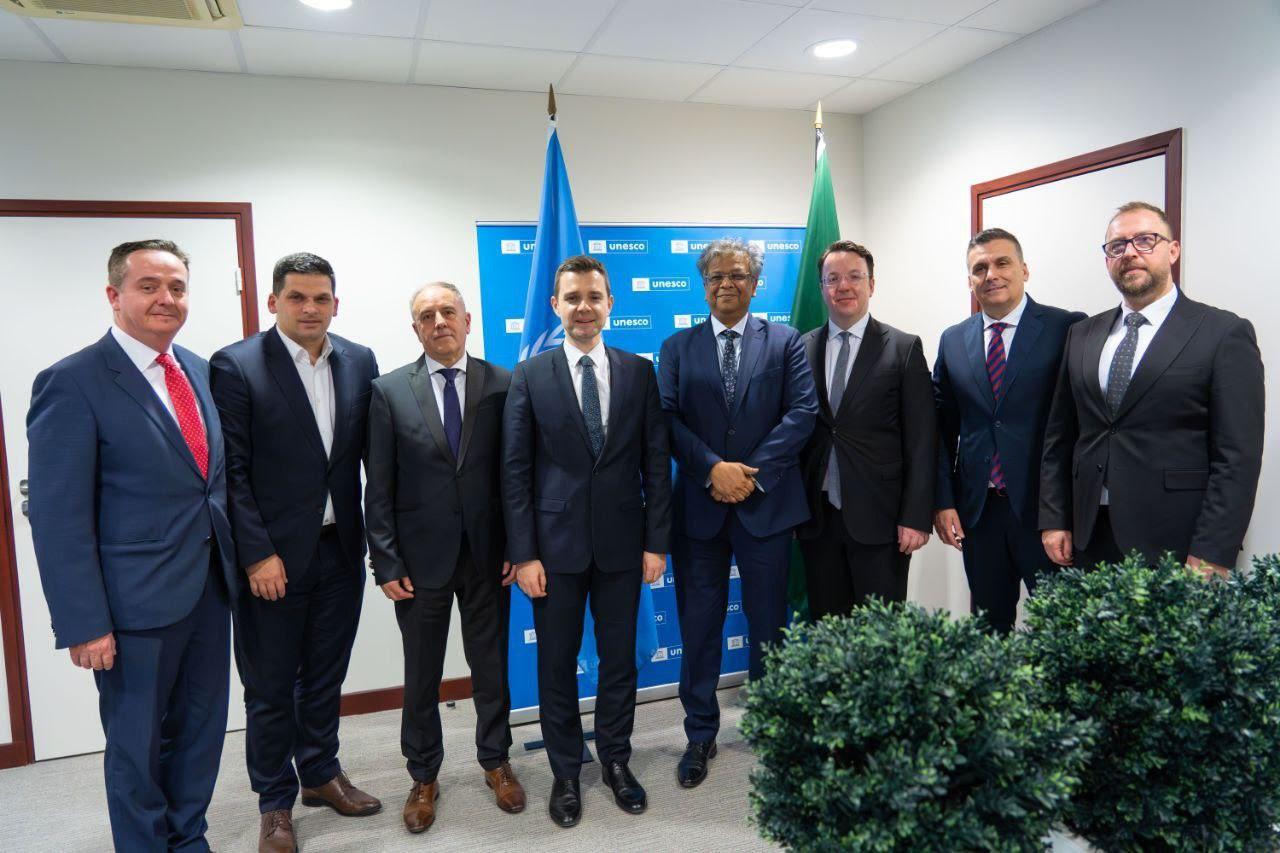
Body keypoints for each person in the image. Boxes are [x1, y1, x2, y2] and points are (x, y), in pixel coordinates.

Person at [26, 239, 236, 852]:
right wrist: (85, 623)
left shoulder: (199, 371)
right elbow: (59, 518)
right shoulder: (73, 381)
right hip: (131, 607)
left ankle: (188, 839)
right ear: (114, 295)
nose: (166, 298)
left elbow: (210, 485)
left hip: (208, 590)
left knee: (201, 735)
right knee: (136, 746)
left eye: (177, 287)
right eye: (149, 286)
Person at [210, 252, 381, 852]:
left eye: (321, 298)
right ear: (273, 302)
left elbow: (369, 459)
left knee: (326, 676)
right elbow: (231, 471)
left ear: (336, 302)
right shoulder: (237, 365)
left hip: (340, 551)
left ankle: (320, 774)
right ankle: (274, 802)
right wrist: (256, 554)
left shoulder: (359, 360)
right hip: (273, 561)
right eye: (297, 298)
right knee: (271, 686)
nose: (310, 308)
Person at [502, 255, 671, 828]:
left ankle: (617, 760)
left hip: (624, 546)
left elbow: (655, 462)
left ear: (609, 304)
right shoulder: (530, 375)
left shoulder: (638, 372)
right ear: (556, 305)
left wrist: (656, 543)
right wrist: (524, 553)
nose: (583, 307)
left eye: (593, 297)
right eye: (572, 297)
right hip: (553, 553)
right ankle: (567, 772)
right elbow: (515, 472)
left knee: (619, 662)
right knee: (556, 666)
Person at [657, 237, 818, 789]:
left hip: (766, 506)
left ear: (755, 283)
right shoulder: (677, 347)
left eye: (738, 275)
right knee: (699, 627)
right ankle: (700, 734)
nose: (726, 283)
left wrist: (748, 474)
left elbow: (802, 414)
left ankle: (772, 729)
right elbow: (666, 419)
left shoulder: (786, 341)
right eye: (716, 276)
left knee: (770, 624)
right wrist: (712, 469)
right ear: (704, 286)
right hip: (699, 512)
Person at [365, 281, 525, 834]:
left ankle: (496, 761)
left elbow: (515, 475)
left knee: (491, 668)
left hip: (489, 556)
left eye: (448, 312)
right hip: (418, 563)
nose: (439, 322)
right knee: (422, 674)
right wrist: (385, 562)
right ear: (415, 328)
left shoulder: (505, 383)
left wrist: (519, 547)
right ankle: (423, 775)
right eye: (427, 315)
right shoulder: (388, 391)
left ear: (467, 320)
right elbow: (378, 486)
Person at [1040, 202, 1264, 576]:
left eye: (1145, 240)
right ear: (1107, 260)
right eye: (1117, 246)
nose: (1129, 252)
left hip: (1178, 540)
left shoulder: (1223, 333)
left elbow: (1237, 456)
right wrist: (1054, 518)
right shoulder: (1081, 334)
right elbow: (1059, 436)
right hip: (1088, 534)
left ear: (1173, 251)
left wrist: (1213, 550)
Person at [932, 229, 1085, 633]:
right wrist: (943, 501)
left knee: (1063, 629)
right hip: (979, 514)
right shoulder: (953, 340)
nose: (991, 275)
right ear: (970, 280)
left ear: (1024, 270)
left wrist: (1064, 513)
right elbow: (940, 430)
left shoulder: (1067, 328)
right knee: (988, 627)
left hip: (1046, 513)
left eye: (1002, 263)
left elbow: (1080, 424)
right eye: (979, 268)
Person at [797, 240, 934, 614]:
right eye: (833, 278)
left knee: (881, 633)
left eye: (854, 277)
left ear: (871, 284)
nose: (843, 286)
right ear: (822, 288)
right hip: (818, 521)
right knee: (828, 630)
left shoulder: (903, 348)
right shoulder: (801, 348)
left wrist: (916, 517)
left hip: (883, 521)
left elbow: (922, 441)